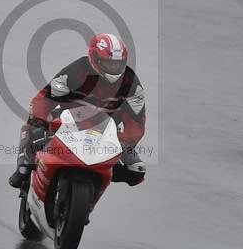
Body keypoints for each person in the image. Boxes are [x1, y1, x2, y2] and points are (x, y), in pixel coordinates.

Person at [8, 33, 147, 189]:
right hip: (68, 122)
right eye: (108, 63)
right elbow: (45, 97)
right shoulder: (76, 71)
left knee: (137, 171)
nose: (114, 68)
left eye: (117, 64)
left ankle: (98, 180)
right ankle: (23, 167)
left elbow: (137, 121)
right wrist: (39, 121)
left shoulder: (131, 84)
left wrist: (125, 142)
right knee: (32, 129)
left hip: (106, 133)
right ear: (95, 59)